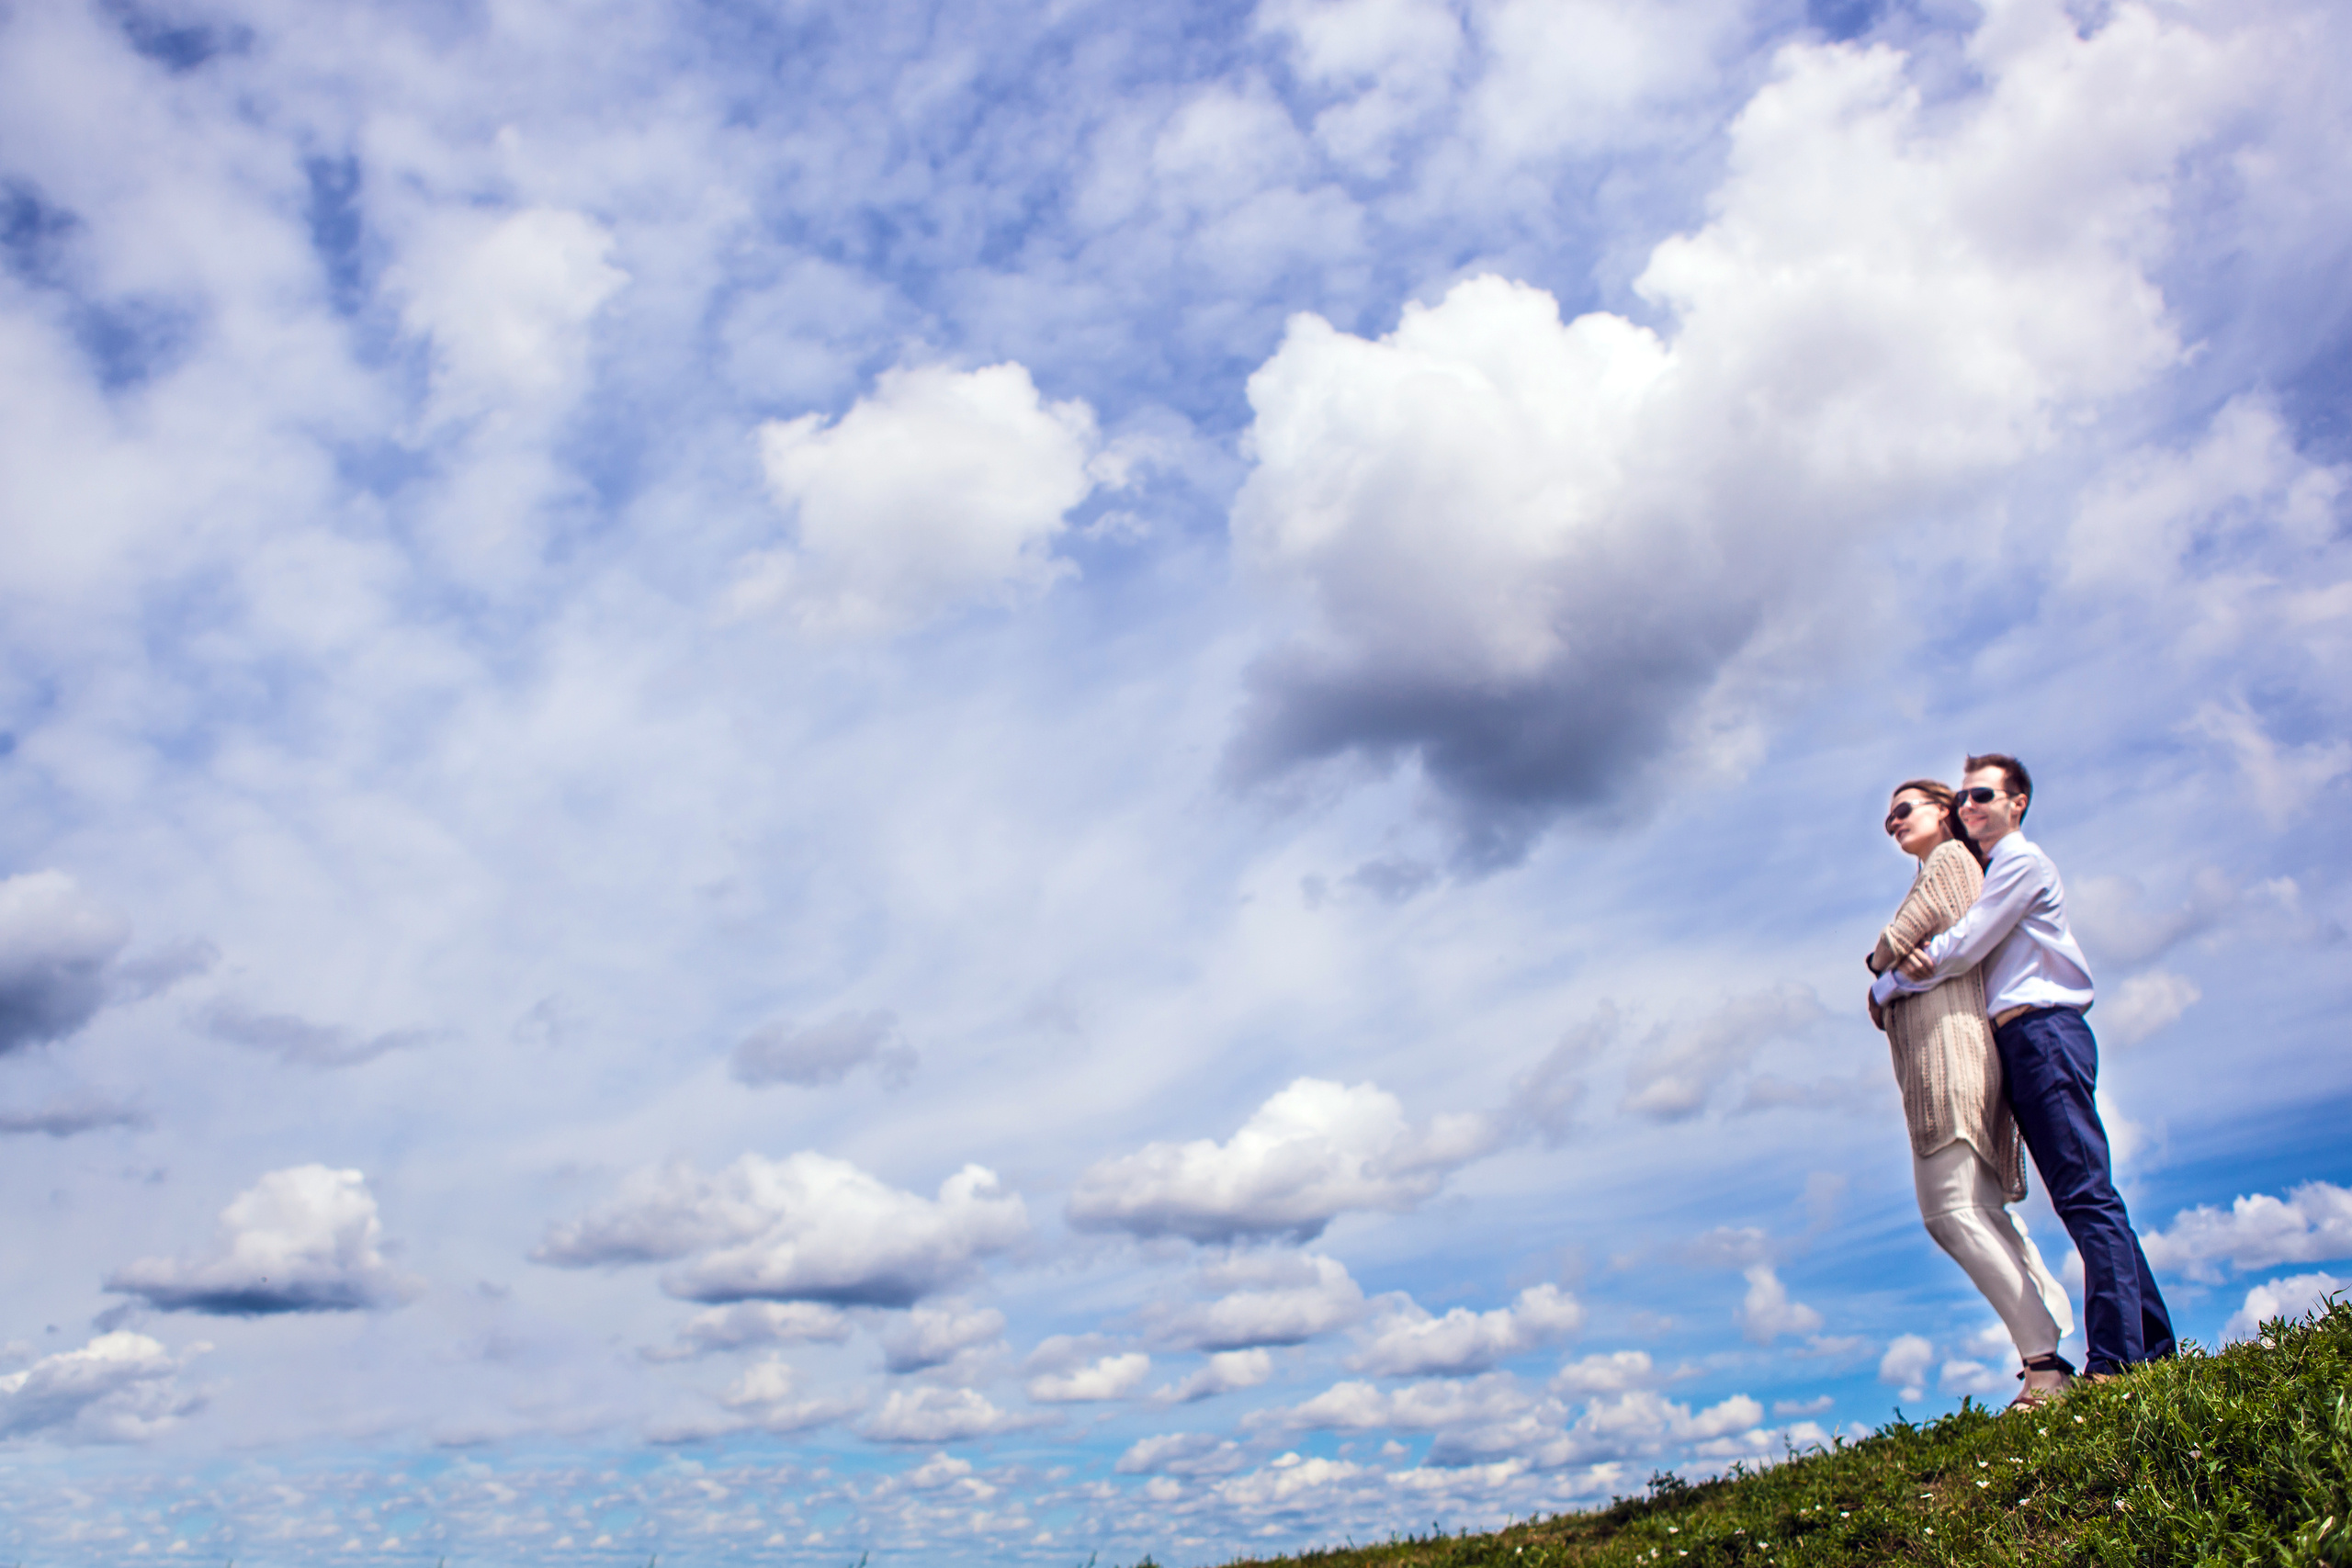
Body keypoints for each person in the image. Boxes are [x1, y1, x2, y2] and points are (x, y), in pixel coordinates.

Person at [1873, 754, 2177, 1386]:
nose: (1969, 806)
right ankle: (2153, 1344)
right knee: (2082, 1198)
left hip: (2044, 1030)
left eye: (1983, 794)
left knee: (2088, 1198)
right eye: (1963, 797)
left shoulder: (2018, 863)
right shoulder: (1986, 866)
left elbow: (1962, 946)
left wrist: (1889, 981)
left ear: (2019, 802)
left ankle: (2117, 1360)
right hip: (2023, 1039)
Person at [1867, 779, 2075, 1407]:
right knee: (1980, 1213)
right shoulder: (1941, 870)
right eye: (1888, 815)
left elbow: (1894, 945)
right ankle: (2047, 1341)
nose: (1892, 821)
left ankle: (2045, 1363)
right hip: (1949, 1059)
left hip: (1951, 1061)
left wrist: (1882, 967)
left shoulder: (1951, 862)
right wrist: (1888, 977)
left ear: (1944, 811)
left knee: (1951, 1212)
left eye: (1905, 808)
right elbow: (1890, 980)